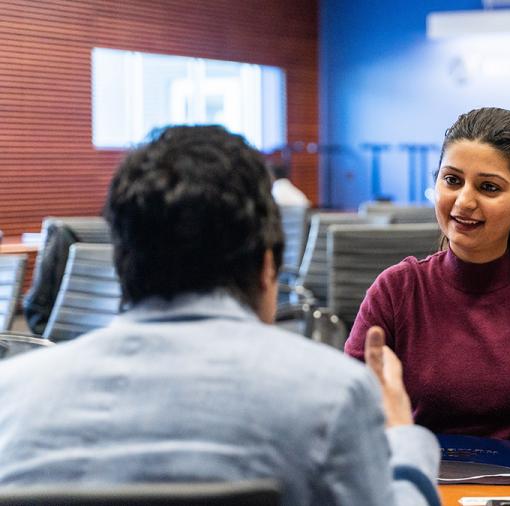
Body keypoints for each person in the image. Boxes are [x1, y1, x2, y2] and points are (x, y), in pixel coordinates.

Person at [0, 126, 440, 506]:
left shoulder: (10, 395)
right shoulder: (333, 396)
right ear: (268, 265)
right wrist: (401, 434)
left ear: (121, 261)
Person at [344, 107, 510, 442]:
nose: (464, 201)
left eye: (488, 187)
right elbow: (351, 414)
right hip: (423, 483)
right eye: (452, 180)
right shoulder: (397, 289)